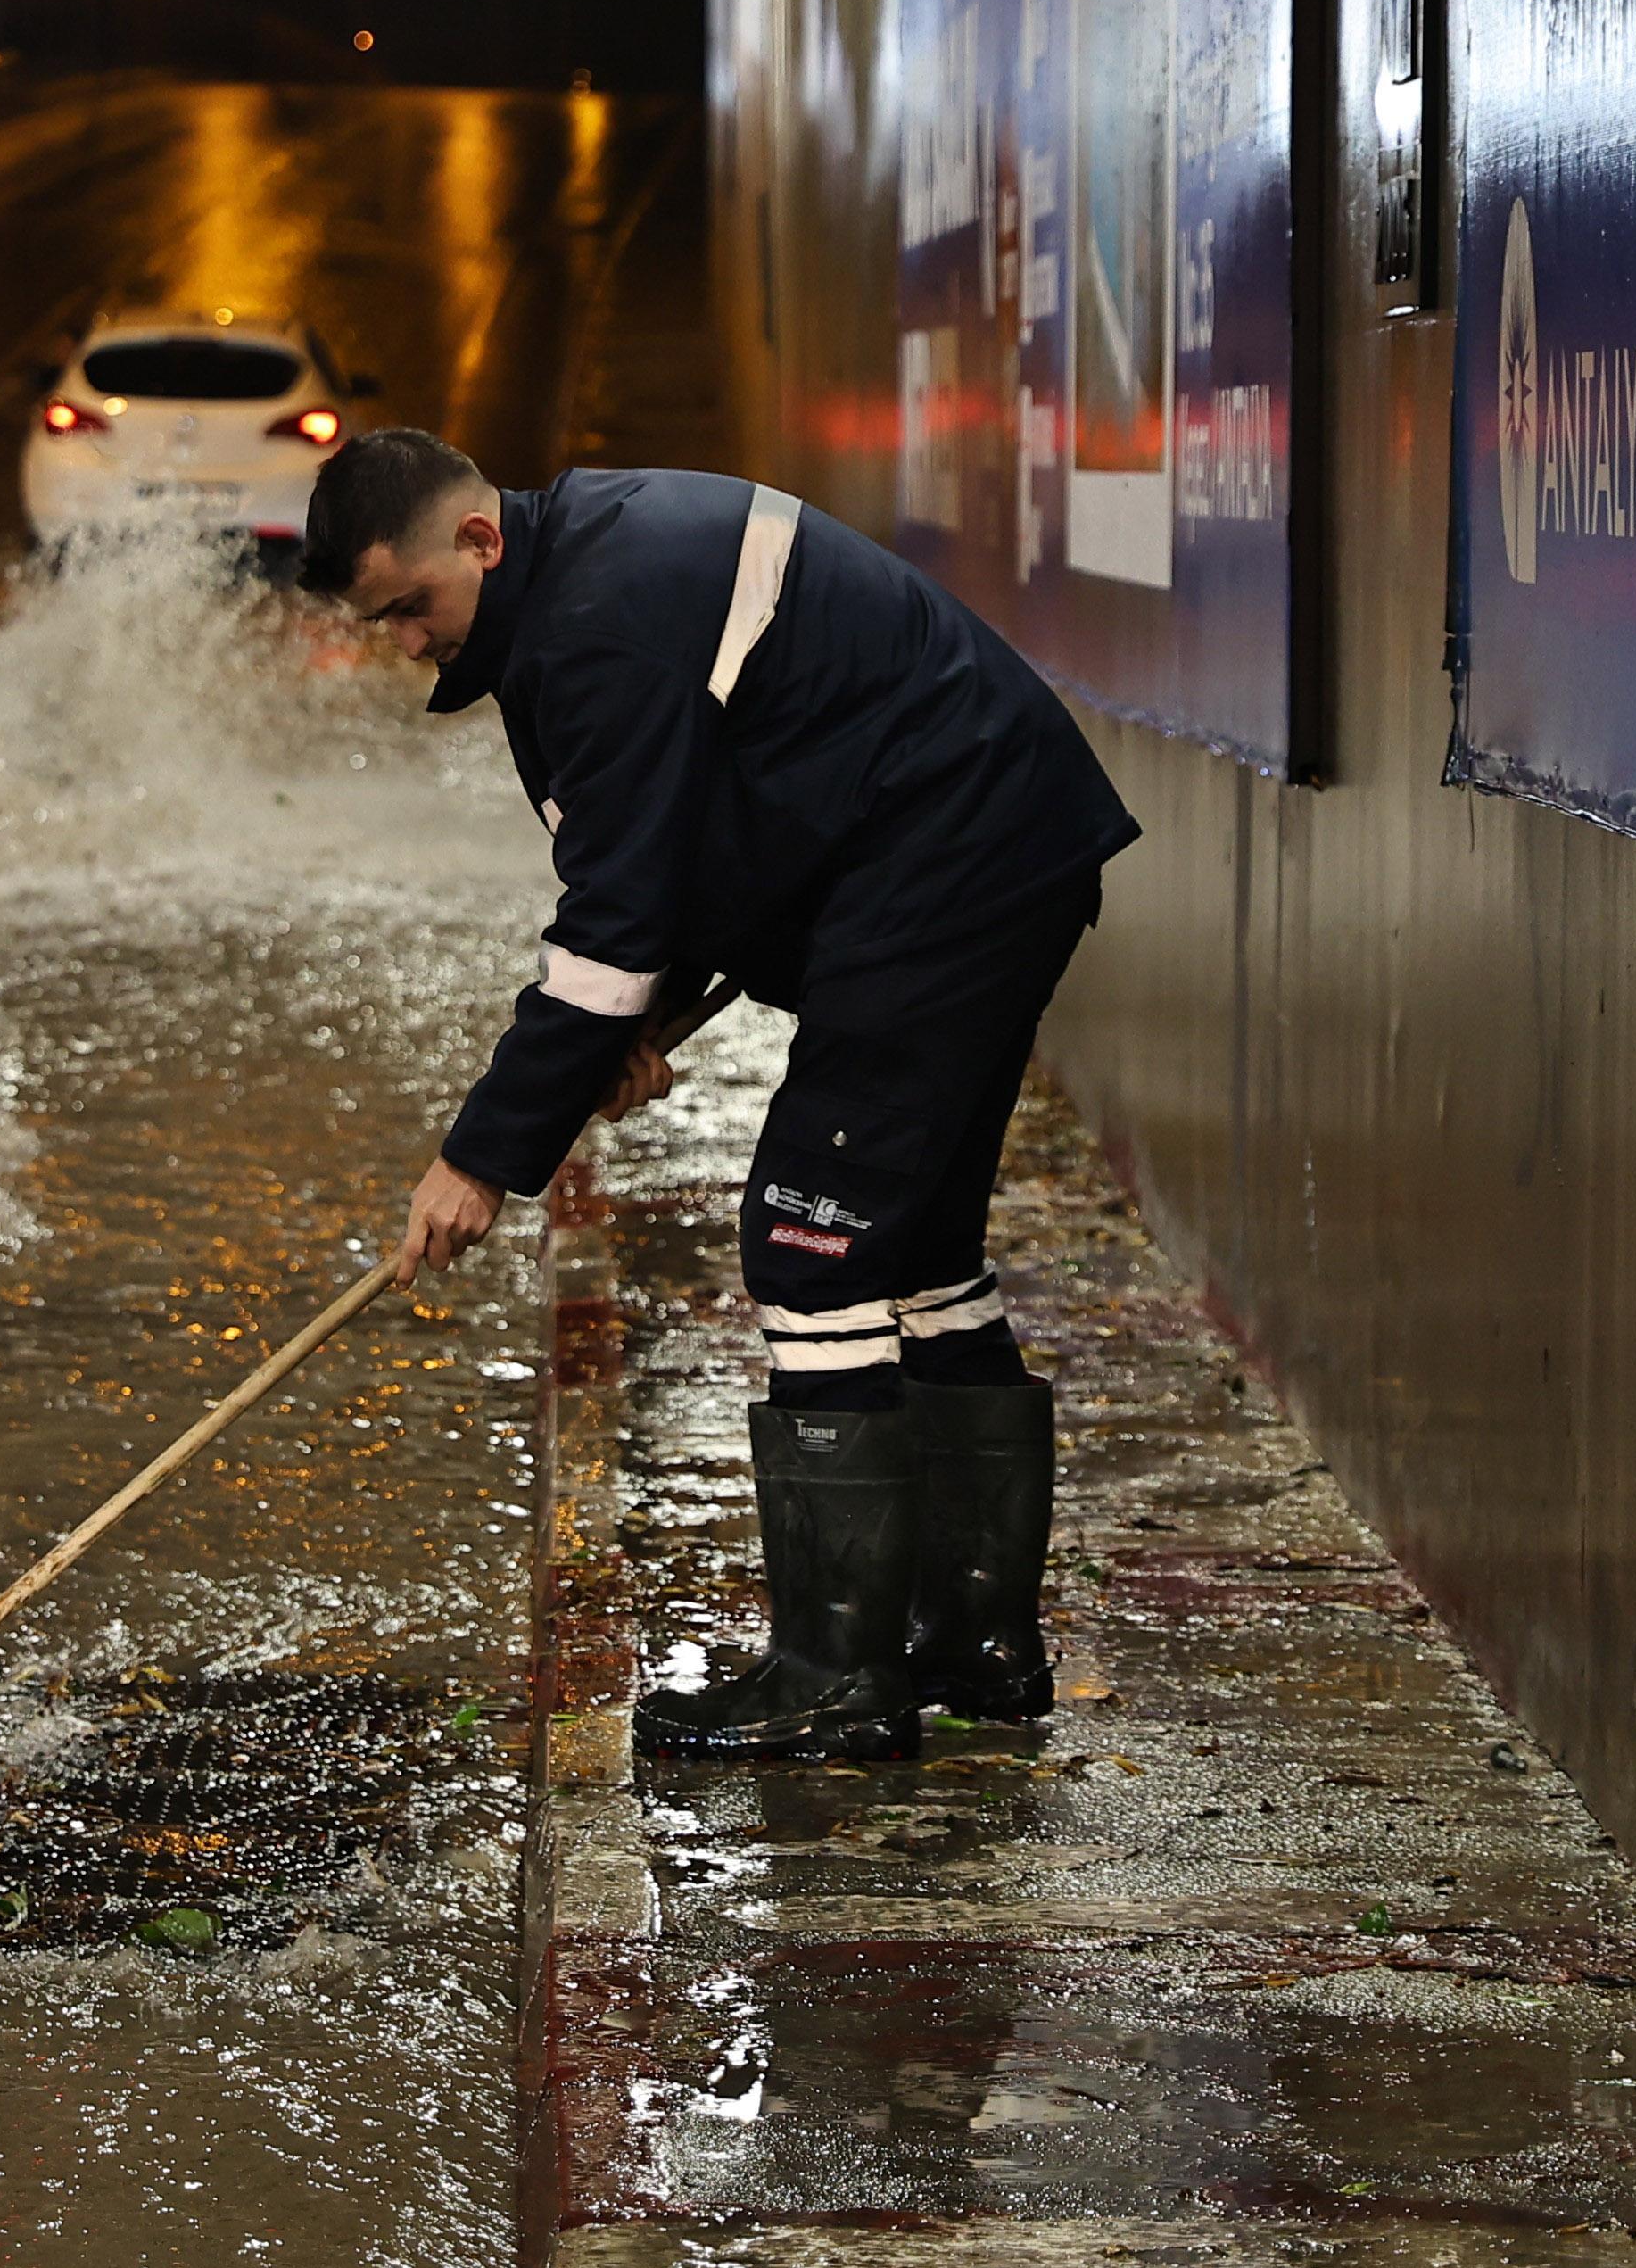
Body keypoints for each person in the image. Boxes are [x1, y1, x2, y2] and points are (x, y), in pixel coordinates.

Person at [300, 430, 1137, 1762]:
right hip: (984, 848)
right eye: (381, 621)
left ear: (480, 539)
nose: (405, 642)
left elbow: (615, 918)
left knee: (809, 1246)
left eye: (412, 606)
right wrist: (646, 1013)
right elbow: (706, 827)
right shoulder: (583, 577)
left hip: (950, 869)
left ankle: (835, 1673)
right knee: (912, 1254)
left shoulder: (595, 621)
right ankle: (981, 1648)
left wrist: (480, 1160)